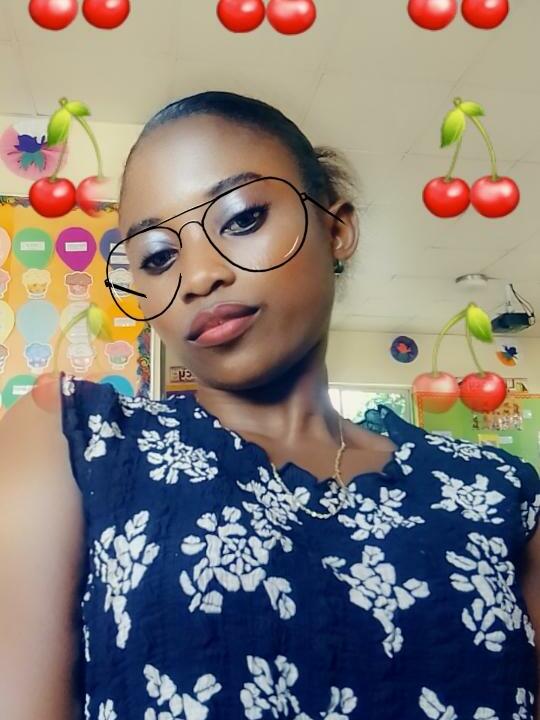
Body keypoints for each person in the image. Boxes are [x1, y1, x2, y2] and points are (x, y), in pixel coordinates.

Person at [1, 91, 539, 720]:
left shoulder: (497, 492)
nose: (198, 276)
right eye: (158, 257)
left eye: (242, 218)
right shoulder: (76, 442)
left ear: (337, 228)